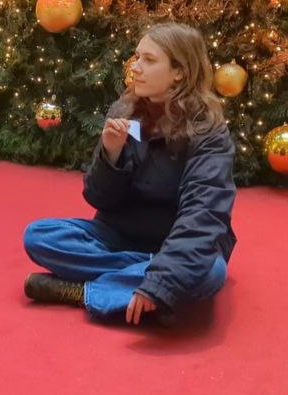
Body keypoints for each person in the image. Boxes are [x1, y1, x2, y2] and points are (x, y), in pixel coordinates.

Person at [22, 23, 237, 326]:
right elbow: (98, 198)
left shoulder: (209, 133)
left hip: (176, 240)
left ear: (179, 71)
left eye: (149, 60)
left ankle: (84, 292)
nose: (136, 67)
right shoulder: (124, 111)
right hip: (119, 235)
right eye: (136, 57)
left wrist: (162, 277)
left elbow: (203, 218)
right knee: (39, 236)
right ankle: (140, 282)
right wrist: (110, 154)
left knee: (212, 272)